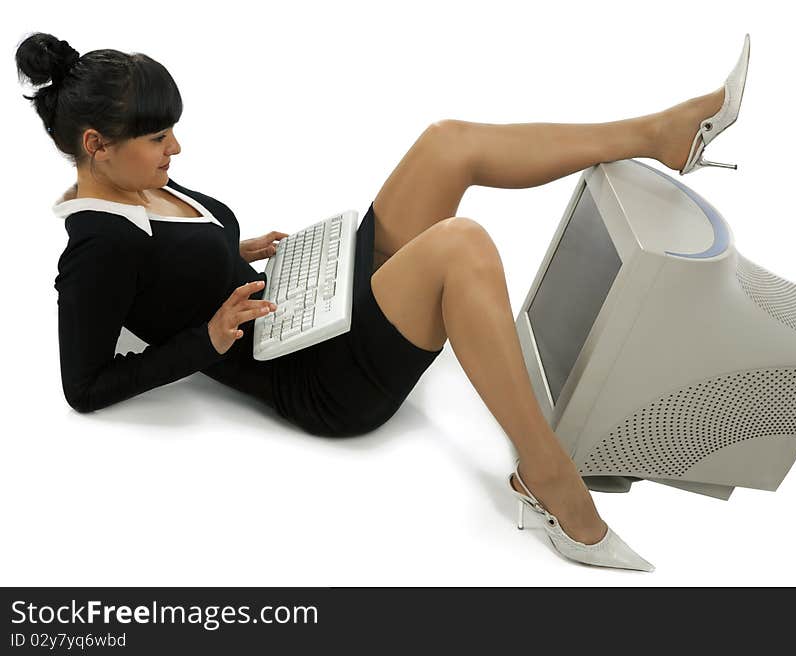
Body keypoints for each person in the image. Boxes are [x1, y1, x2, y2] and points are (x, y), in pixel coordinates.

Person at [16, 31, 749, 572]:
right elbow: (82, 387)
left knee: (446, 143)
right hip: (319, 379)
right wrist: (207, 337)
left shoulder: (138, 182)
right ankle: (546, 474)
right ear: (96, 145)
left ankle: (663, 132)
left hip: (304, 311)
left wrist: (232, 252)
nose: (176, 146)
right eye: (157, 136)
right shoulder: (96, 248)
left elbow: (168, 266)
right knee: (461, 245)